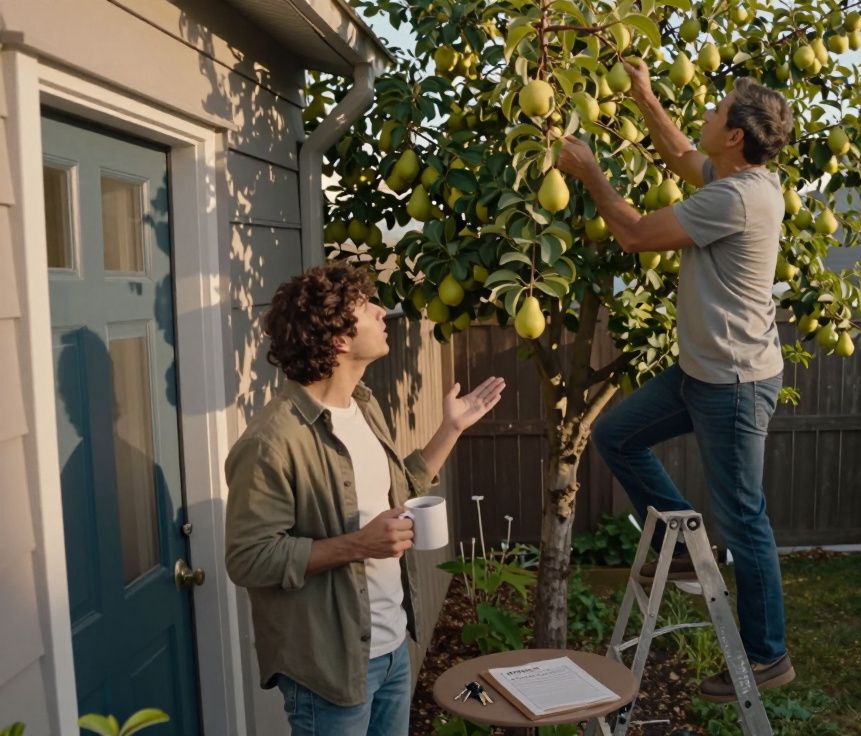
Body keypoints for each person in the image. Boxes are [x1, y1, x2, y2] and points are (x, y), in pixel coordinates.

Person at [554, 62, 795, 701]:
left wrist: (591, 175)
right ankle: (680, 540)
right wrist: (644, 95)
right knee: (617, 436)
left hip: (733, 385)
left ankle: (768, 655)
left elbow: (632, 234)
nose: (708, 115)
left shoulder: (736, 197)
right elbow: (682, 154)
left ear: (738, 136)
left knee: (745, 519)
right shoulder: (740, 177)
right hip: (702, 372)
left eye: (718, 111)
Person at [224, 264, 505, 735]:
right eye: (366, 306)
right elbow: (248, 559)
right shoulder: (272, 442)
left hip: (392, 648)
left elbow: (398, 488)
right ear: (337, 339)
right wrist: (359, 545)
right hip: (329, 667)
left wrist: (451, 429)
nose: (381, 311)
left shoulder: (365, 406)